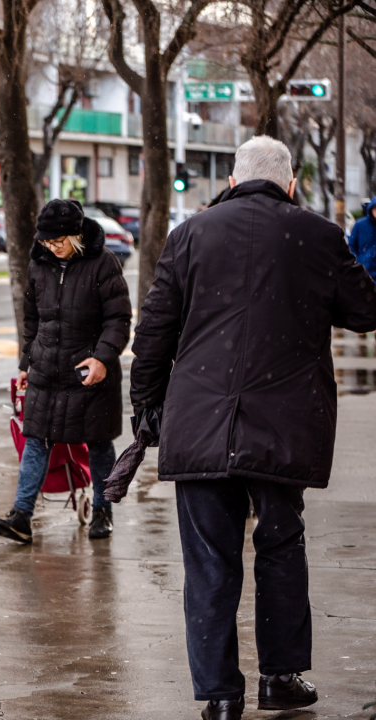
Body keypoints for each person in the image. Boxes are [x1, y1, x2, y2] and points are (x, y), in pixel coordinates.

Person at [129, 136, 376, 720]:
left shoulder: (190, 234)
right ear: (291, 184)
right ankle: (279, 678)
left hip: (200, 421)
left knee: (209, 563)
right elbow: (366, 311)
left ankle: (219, 697)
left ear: (233, 181)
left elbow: (153, 334)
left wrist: (146, 411)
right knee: (281, 547)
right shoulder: (316, 235)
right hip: (283, 425)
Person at [0, 199, 131, 543]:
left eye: (58, 241)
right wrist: (26, 363)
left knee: (98, 443)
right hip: (46, 370)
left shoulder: (103, 263)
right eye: (47, 242)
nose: (52, 248)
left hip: (89, 371)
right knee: (36, 439)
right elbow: (32, 319)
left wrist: (102, 359)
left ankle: (103, 510)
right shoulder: (39, 264)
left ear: (77, 235)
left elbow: (118, 319)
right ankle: (21, 515)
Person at [348, 194, 376, 282]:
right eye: (375, 208)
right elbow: (351, 246)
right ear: (371, 209)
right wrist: (357, 262)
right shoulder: (360, 225)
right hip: (363, 272)